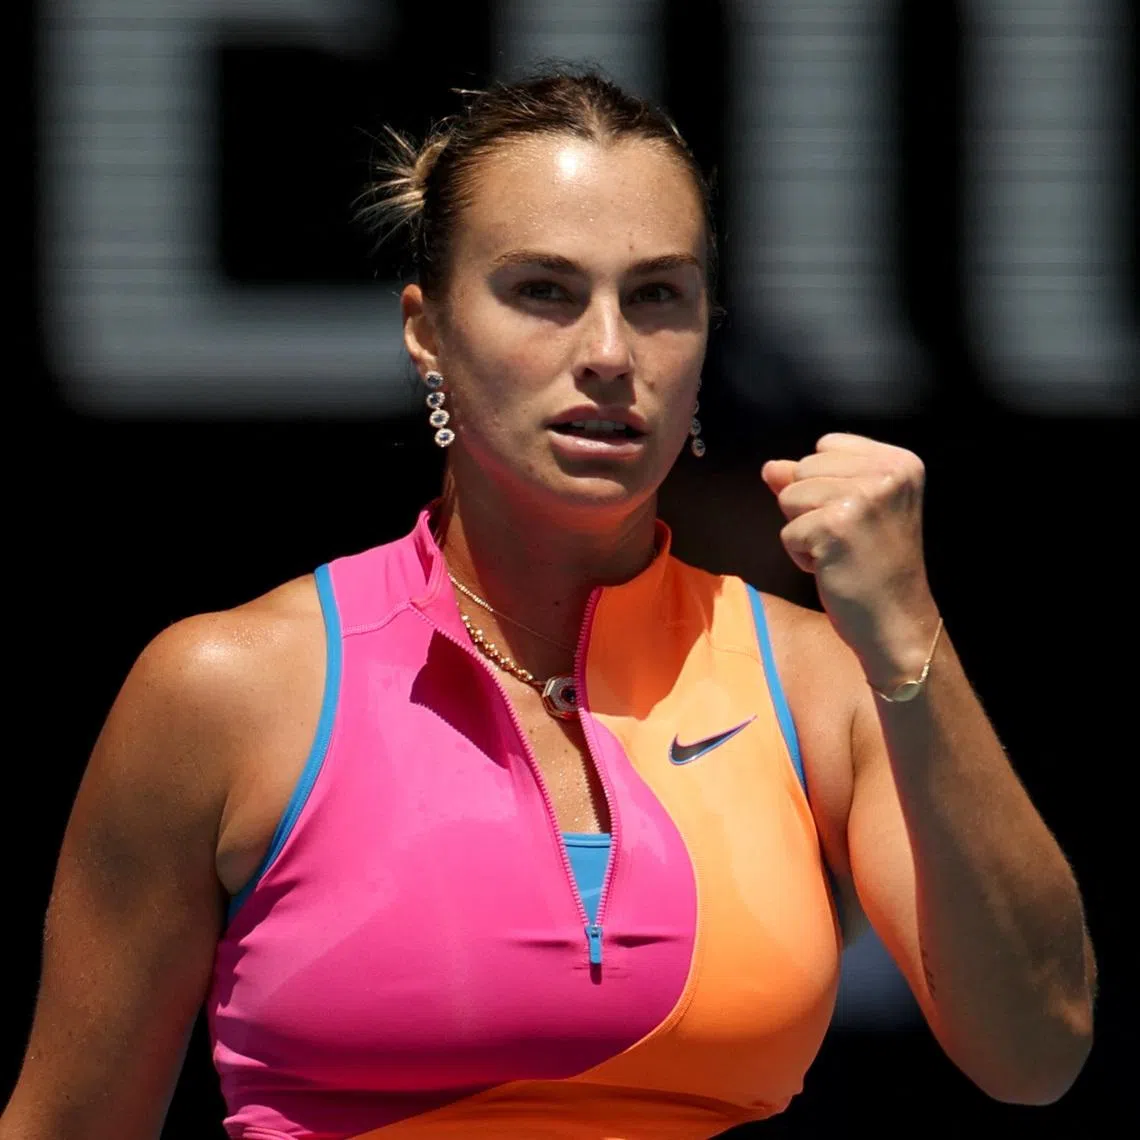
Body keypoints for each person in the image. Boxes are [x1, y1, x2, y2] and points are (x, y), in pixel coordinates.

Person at [2, 69, 1095, 1140]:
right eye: (544, 292)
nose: (611, 354)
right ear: (427, 330)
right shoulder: (226, 689)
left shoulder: (824, 683)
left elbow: (1038, 1052)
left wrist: (909, 636)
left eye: (659, 295)